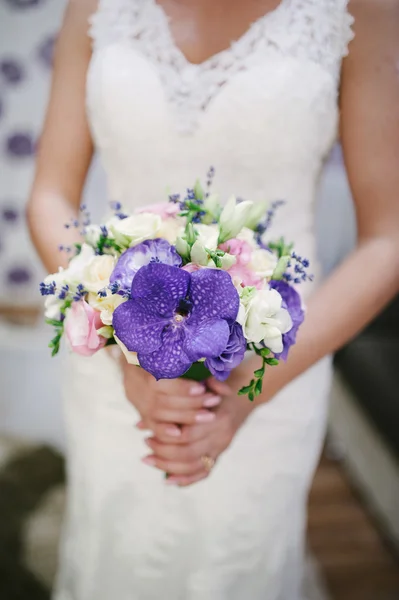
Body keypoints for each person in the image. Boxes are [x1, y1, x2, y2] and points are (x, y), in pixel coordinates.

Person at [27, 0, 399, 598]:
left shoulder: (364, 10)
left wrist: (248, 391)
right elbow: (49, 195)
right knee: (117, 547)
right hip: (117, 361)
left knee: (236, 557)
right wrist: (123, 349)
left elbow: (389, 237)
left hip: (279, 358)